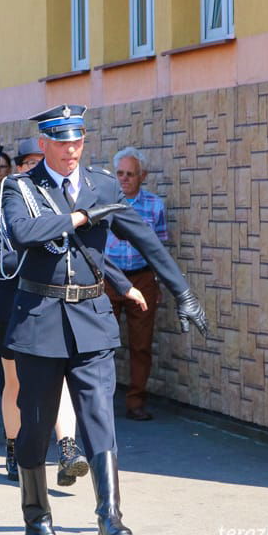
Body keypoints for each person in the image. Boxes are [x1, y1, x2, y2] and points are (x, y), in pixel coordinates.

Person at [0, 104, 207, 535]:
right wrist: (76, 218)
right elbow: (22, 233)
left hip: (91, 319)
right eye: (61, 142)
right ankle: (37, 523)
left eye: (77, 141)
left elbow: (144, 237)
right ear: (44, 144)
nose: (71, 150)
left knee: (99, 419)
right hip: (39, 319)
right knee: (36, 425)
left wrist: (182, 292)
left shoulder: (102, 184)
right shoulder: (20, 186)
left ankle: (109, 519)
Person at [104, 147, 168, 421]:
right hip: (107, 278)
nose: (124, 179)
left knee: (141, 344)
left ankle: (135, 403)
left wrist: (158, 282)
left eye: (130, 174)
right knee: (102, 344)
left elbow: (160, 248)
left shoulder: (155, 205)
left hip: (142, 278)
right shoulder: (102, 203)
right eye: (119, 173)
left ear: (143, 176)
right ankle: (100, 404)